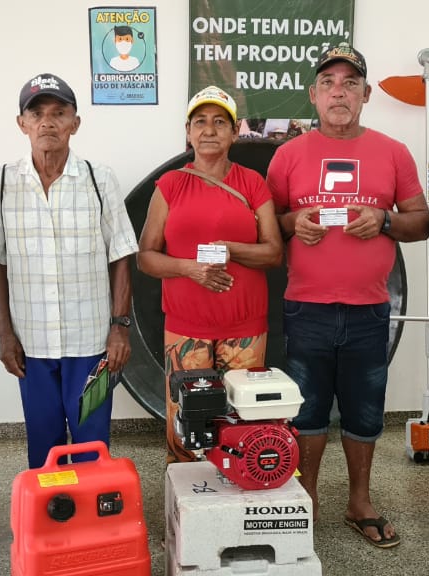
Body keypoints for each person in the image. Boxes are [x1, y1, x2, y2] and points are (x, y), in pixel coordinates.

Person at [266, 42, 429, 549]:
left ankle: (360, 501)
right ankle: (307, 496)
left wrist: (384, 219)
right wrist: (294, 222)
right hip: (307, 307)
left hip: (369, 309)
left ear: (366, 94)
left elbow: (421, 222)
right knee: (307, 410)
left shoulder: (393, 152)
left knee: (365, 411)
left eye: (350, 84)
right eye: (329, 84)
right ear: (313, 94)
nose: (339, 93)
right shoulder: (288, 155)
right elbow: (266, 225)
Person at [0, 73, 139, 469]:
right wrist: (4, 334)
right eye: (37, 114)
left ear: (75, 123)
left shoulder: (99, 179)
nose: (47, 123)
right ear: (22, 123)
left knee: (91, 445)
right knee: (44, 446)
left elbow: (121, 256)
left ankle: (90, 510)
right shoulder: (0, 183)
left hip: (91, 346)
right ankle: (52, 508)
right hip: (31, 345)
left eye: (58, 113)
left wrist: (120, 328)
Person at [137, 85, 283, 463]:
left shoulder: (252, 183)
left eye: (220, 122)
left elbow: (273, 252)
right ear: (188, 132)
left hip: (244, 328)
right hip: (186, 329)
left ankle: (238, 490)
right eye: (200, 122)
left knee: (241, 425)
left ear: (234, 132)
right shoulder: (170, 186)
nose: (209, 130)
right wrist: (189, 269)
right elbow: (146, 258)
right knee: (186, 426)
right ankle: (184, 495)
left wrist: (231, 249)